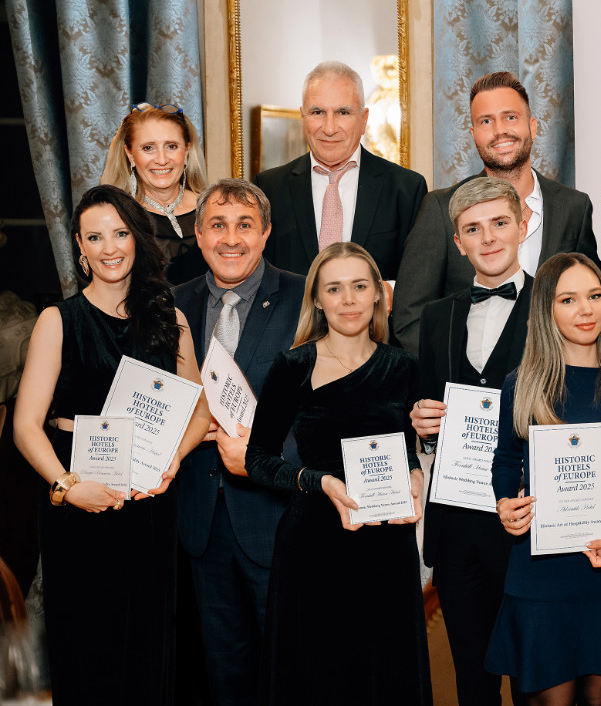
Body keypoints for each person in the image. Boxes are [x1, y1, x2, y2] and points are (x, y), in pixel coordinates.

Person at [13, 185, 212, 703]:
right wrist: (66, 486)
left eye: (120, 233)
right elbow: (26, 425)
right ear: (80, 247)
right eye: (94, 237)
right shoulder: (58, 321)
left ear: (137, 239)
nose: (109, 248)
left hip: (149, 504)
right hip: (78, 506)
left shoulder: (171, 319)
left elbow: (201, 410)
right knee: (87, 648)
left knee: (149, 649)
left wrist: (173, 461)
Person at [243, 242, 432, 704]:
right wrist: (318, 481)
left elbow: (410, 447)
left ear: (378, 297)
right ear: (318, 300)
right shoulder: (293, 366)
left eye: (359, 286)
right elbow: (258, 457)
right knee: (316, 676)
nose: (348, 299)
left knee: (385, 673)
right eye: (335, 288)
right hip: (314, 543)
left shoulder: (406, 367)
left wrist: (416, 474)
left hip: (386, 543)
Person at [487, 253, 601, 705]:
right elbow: (506, 461)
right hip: (541, 576)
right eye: (569, 299)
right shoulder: (521, 384)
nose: (586, 309)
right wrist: (505, 503)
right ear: (547, 309)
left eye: (595, 296)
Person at [171, 178, 306, 706]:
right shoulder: (172, 305)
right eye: (218, 225)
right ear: (199, 235)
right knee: (221, 673)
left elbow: (328, 406)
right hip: (200, 521)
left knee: (289, 669)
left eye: (245, 225)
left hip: (278, 517)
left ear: (266, 233)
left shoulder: (303, 296)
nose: (231, 238)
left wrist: (269, 453)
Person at [408, 177, 531, 706]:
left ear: (523, 225)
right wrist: (419, 419)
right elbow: (424, 402)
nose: (488, 239)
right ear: (457, 243)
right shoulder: (437, 317)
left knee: (536, 677)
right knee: (471, 679)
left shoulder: (559, 308)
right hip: (457, 525)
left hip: (529, 520)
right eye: (473, 230)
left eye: (500, 223)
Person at [393, 71, 600, 355]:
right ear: (474, 134)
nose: (500, 130)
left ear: (533, 126)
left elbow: (594, 303)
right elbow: (410, 318)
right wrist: (461, 377)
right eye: (486, 121)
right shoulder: (440, 209)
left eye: (511, 117)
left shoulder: (573, 208)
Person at [255, 60, 427, 282]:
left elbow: (418, 281)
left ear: (364, 120)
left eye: (342, 112)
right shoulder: (268, 188)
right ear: (303, 117)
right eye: (317, 112)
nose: (329, 128)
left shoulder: (406, 190)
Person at [99, 102, 210, 284]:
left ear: (187, 151)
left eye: (171, 146)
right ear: (130, 155)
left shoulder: (213, 209)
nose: (161, 159)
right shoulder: (114, 216)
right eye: (148, 148)